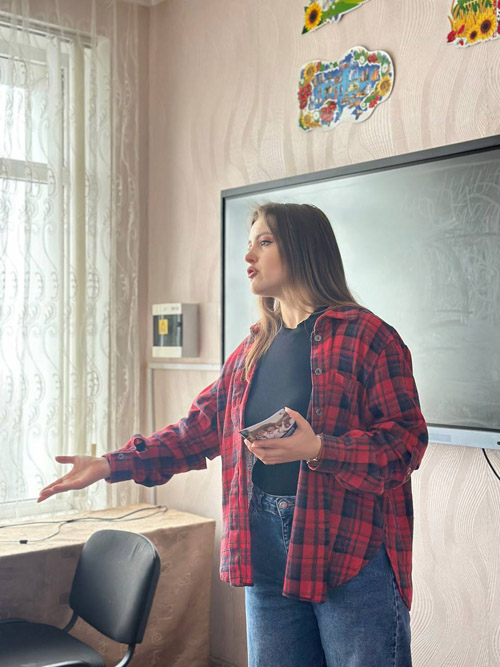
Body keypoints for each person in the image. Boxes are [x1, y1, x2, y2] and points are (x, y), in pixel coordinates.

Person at [38, 202, 428, 667]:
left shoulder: (369, 337)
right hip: (264, 553)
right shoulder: (251, 349)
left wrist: (319, 449)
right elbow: (196, 431)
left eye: (265, 242)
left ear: (304, 249)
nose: (249, 256)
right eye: (249, 244)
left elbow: (406, 443)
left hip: (348, 551)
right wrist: (109, 464)